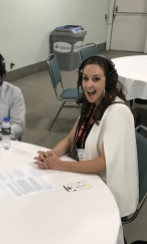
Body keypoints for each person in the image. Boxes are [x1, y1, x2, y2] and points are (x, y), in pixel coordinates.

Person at [34, 55, 138, 218]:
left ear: (108, 81)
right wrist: (51, 155)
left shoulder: (118, 112)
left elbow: (104, 164)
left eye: (96, 79)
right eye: (85, 78)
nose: (89, 85)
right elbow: (70, 140)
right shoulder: (91, 104)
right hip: (87, 176)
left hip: (106, 190)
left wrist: (58, 165)